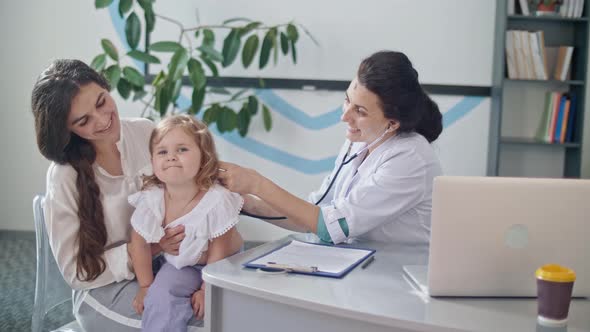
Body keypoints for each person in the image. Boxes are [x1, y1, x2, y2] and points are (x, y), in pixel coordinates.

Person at [30, 59, 243, 331]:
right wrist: (150, 248)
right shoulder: (64, 176)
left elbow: (198, 185)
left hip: (171, 267)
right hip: (105, 288)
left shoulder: (144, 131)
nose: (103, 120)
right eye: (83, 121)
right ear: (67, 130)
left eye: (101, 102)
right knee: (206, 322)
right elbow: (78, 273)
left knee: (235, 307)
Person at [218, 51, 443, 245]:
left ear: (392, 123)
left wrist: (257, 183)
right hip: (360, 268)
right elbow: (311, 217)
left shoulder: (410, 158)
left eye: (360, 111)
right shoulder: (359, 142)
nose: (345, 116)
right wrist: (240, 200)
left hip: (397, 277)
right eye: (347, 100)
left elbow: (329, 228)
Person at [128, 115, 243, 330]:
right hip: (182, 264)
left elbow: (220, 247)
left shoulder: (216, 199)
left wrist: (206, 289)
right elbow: (139, 243)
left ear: (204, 156)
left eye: (182, 149)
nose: (171, 157)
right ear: (152, 161)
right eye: (162, 152)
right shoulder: (152, 199)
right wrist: (146, 286)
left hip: (225, 260)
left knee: (234, 302)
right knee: (160, 297)